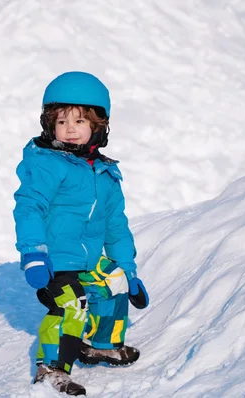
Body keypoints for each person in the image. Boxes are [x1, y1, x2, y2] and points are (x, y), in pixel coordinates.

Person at [13, 71, 149, 396]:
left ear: (97, 127)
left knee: (115, 283)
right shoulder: (49, 165)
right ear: (50, 126)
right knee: (72, 304)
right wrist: (33, 253)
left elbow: (116, 225)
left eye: (79, 121)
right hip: (55, 261)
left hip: (87, 260)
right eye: (61, 122)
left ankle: (101, 344)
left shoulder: (105, 174)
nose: (70, 129)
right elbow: (29, 206)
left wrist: (127, 270)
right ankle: (52, 369)